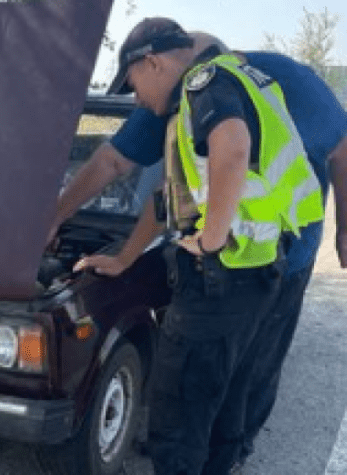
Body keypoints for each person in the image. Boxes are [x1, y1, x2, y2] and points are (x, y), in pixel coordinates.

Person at [50, 29, 347, 473]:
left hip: (236, 270)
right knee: (229, 386)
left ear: (154, 63)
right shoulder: (224, 85)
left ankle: (216, 454)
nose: (135, 100)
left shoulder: (206, 88)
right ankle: (221, 457)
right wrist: (122, 255)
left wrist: (210, 240)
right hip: (264, 260)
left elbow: (237, 147)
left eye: (133, 84)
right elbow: (172, 192)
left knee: (188, 405)